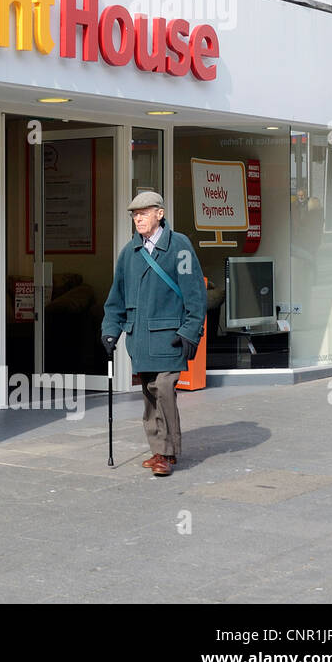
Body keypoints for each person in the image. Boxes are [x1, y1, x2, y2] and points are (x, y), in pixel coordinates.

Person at [101, 191, 206, 477]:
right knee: (149, 394)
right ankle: (158, 449)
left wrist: (189, 332)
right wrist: (110, 331)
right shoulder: (128, 254)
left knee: (164, 389)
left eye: (144, 213)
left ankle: (167, 453)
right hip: (141, 340)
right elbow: (116, 299)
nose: (138, 219)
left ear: (160, 214)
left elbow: (195, 295)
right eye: (135, 214)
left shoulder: (179, 246)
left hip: (171, 338)